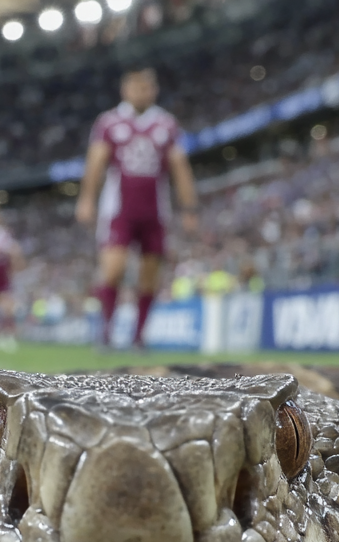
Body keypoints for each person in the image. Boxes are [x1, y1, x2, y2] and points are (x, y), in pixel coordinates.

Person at [75, 68, 198, 348]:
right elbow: (95, 162)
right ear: (125, 90)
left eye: (148, 88)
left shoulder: (167, 124)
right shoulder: (109, 122)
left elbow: (180, 167)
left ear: (154, 91)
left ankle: (139, 336)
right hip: (119, 211)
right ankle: (106, 330)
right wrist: (86, 199)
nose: (143, 93)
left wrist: (189, 208)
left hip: (156, 211)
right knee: (113, 270)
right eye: (137, 87)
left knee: (149, 275)